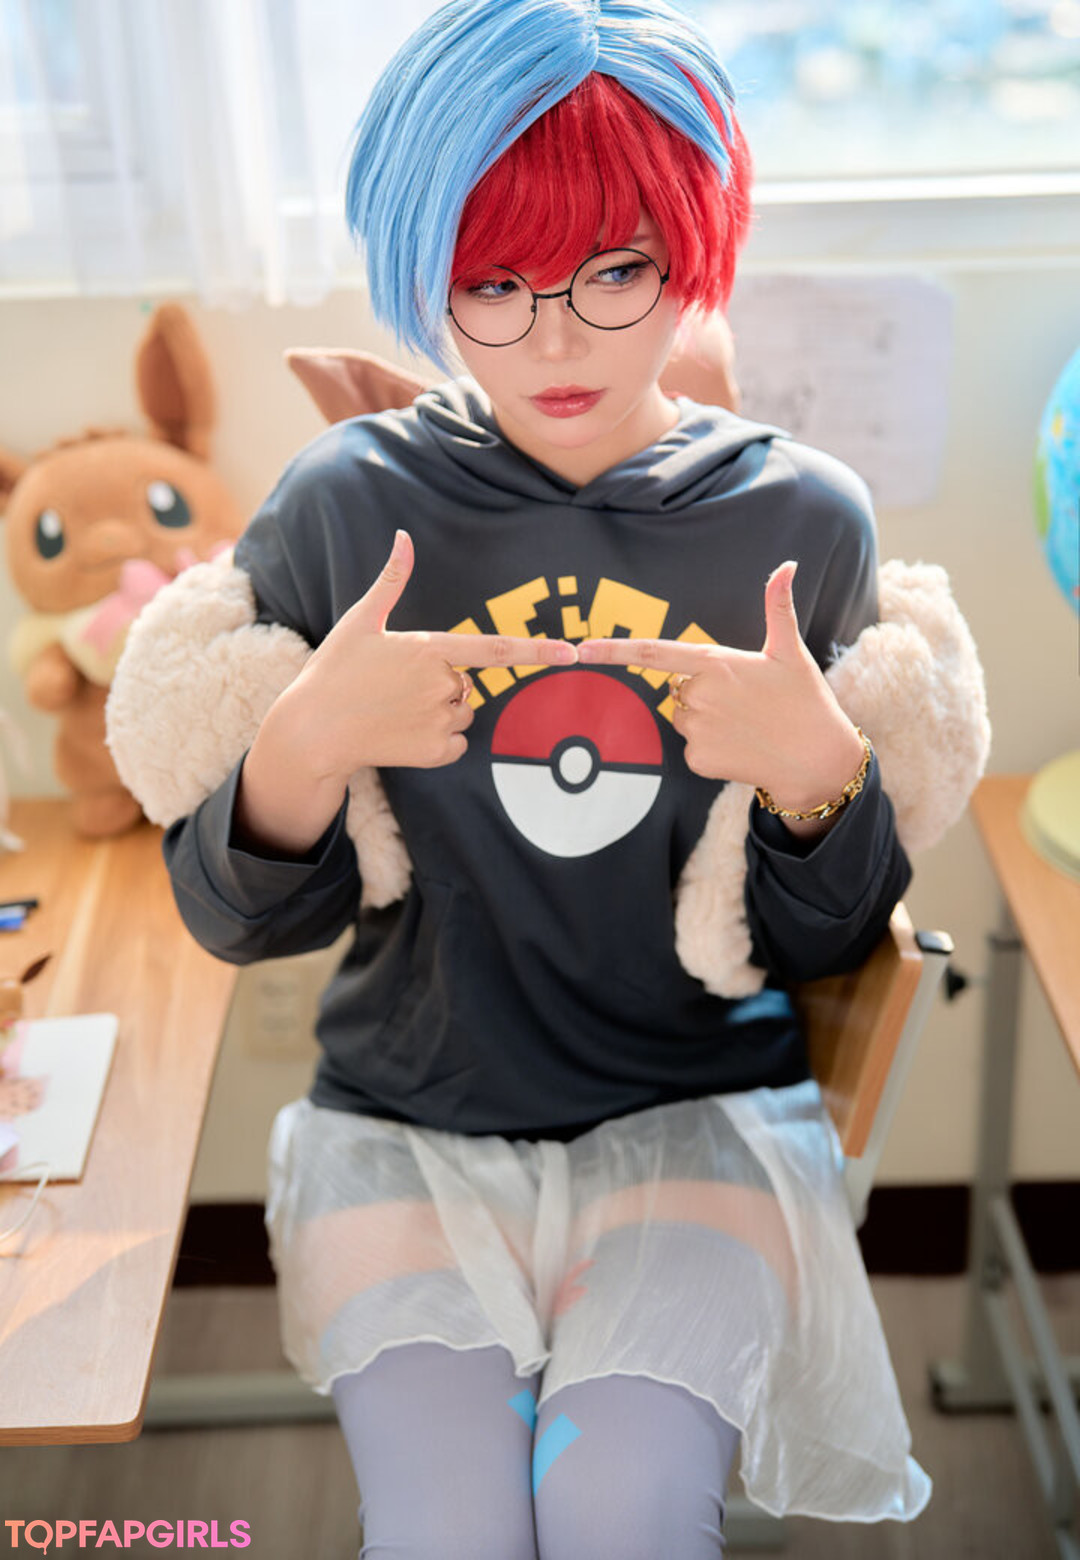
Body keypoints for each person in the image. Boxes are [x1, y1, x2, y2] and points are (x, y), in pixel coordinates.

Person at [107, 1, 990, 1553]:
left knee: (619, 1512)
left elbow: (821, 943)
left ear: (690, 252)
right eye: (492, 285)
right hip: (409, 1119)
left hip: (696, 1116)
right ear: (426, 275)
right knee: (450, 1530)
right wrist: (306, 741)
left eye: (614, 271)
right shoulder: (344, 504)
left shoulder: (802, 524)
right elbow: (241, 922)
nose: (557, 340)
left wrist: (816, 780)